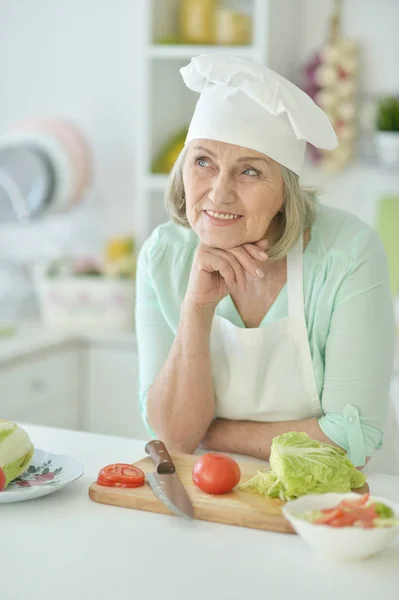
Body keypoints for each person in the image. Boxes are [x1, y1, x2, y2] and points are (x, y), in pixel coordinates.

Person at [135, 54, 398, 475]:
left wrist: (213, 432)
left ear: (285, 194)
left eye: (250, 172)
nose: (218, 194)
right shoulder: (164, 255)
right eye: (203, 161)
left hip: (333, 497)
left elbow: (354, 439)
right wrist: (196, 309)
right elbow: (172, 437)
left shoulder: (347, 253)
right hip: (213, 491)